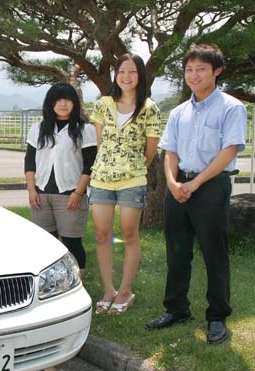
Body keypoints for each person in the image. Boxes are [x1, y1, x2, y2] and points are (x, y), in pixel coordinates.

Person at [145, 44, 247, 345]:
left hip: (211, 187)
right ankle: (176, 309)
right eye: (189, 70)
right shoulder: (179, 111)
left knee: (214, 253)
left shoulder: (231, 107)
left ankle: (217, 316)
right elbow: (169, 151)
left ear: (217, 70)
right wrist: (174, 183)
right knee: (177, 250)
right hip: (178, 188)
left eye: (201, 69)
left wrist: (196, 183)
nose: (194, 75)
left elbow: (229, 151)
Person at [89, 53, 161, 315]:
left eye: (132, 72)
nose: (126, 77)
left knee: (130, 234)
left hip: (132, 179)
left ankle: (126, 290)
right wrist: (109, 166)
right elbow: (101, 144)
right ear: (115, 75)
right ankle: (108, 290)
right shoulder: (103, 105)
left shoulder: (149, 108)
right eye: (121, 72)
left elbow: (150, 151)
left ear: (140, 76)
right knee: (101, 235)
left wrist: (130, 167)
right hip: (101, 179)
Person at [25, 83, 97, 275]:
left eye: (67, 100)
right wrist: (32, 190)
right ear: (50, 103)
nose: (63, 104)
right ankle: (50, 282)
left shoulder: (85, 130)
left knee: (72, 242)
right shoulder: (37, 129)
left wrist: (78, 193)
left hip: (70, 195)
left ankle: (77, 280)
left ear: (74, 103)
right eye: (58, 100)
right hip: (41, 195)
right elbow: (30, 162)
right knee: (45, 242)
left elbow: (90, 165)